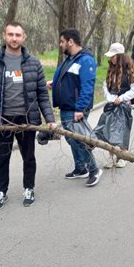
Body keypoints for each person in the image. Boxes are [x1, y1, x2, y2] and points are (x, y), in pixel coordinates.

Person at [0, 22, 56, 210]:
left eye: (18, 35)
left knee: (28, 157)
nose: (14, 38)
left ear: (24, 37)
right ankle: (1, 192)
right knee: (2, 158)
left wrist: (49, 119)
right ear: (4, 36)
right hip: (1, 120)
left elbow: (42, 94)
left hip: (26, 120)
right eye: (11, 34)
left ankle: (29, 188)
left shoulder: (33, 63)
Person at [48, 28, 102, 187]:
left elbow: (87, 86)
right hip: (67, 107)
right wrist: (55, 83)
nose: (60, 45)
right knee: (71, 139)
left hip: (75, 109)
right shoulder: (71, 59)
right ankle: (80, 168)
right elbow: (69, 78)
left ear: (70, 41)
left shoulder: (85, 60)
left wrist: (80, 109)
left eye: (62, 41)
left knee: (79, 140)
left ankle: (93, 170)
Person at [100, 43, 134, 168]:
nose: (111, 59)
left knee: (123, 129)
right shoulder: (111, 69)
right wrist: (110, 97)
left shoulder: (130, 69)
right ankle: (111, 156)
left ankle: (123, 156)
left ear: (119, 56)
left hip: (124, 105)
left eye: (113, 56)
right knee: (110, 130)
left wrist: (121, 98)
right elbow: (105, 85)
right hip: (112, 104)